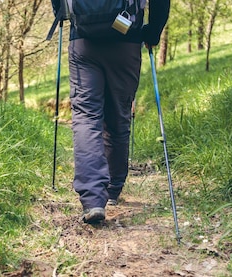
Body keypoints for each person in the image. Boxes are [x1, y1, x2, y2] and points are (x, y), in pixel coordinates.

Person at [51, 0, 171, 224]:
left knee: (86, 117)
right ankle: (113, 188)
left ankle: (94, 199)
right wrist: (153, 32)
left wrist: (61, 13)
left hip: (83, 39)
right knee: (119, 113)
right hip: (126, 42)